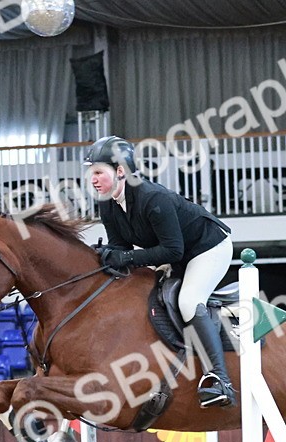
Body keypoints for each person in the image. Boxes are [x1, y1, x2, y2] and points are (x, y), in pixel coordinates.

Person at [84, 135, 236, 408]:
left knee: (188, 300)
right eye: (90, 173)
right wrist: (108, 256)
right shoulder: (107, 204)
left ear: (121, 172)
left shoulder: (153, 198)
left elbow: (172, 250)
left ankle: (221, 379)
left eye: (98, 172)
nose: (92, 179)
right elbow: (121, 249)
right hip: (174, 253)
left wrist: (124, 256)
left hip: (208, 248)